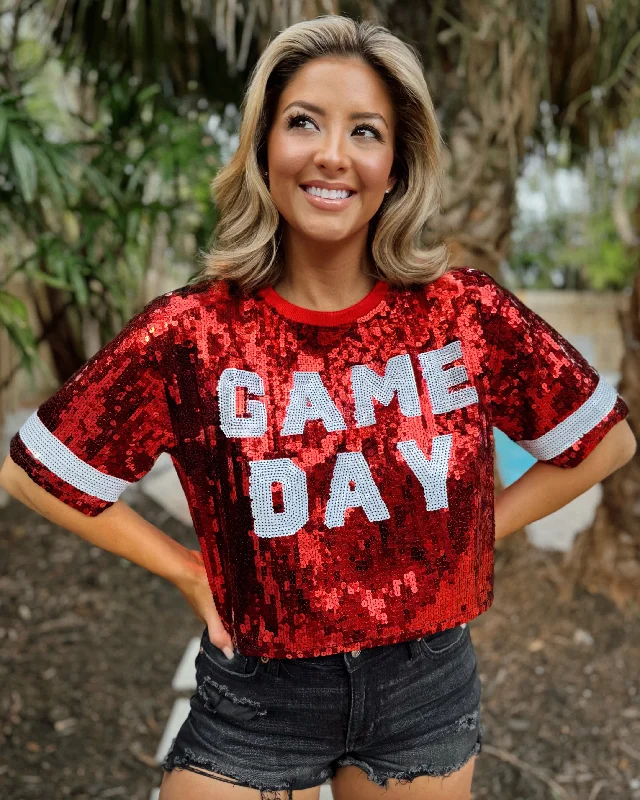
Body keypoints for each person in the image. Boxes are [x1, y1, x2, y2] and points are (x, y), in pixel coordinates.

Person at [0, 13, 636, 800]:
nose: (333, 154)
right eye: (304, 122)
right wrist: (188, 574)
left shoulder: (461, 314)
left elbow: (602, 446)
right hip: (256, 697)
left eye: (365, 130)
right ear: (265, 147)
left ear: (396, 165)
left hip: (422, 687)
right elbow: (38, 474)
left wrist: (470, 534)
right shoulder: (191, 333)